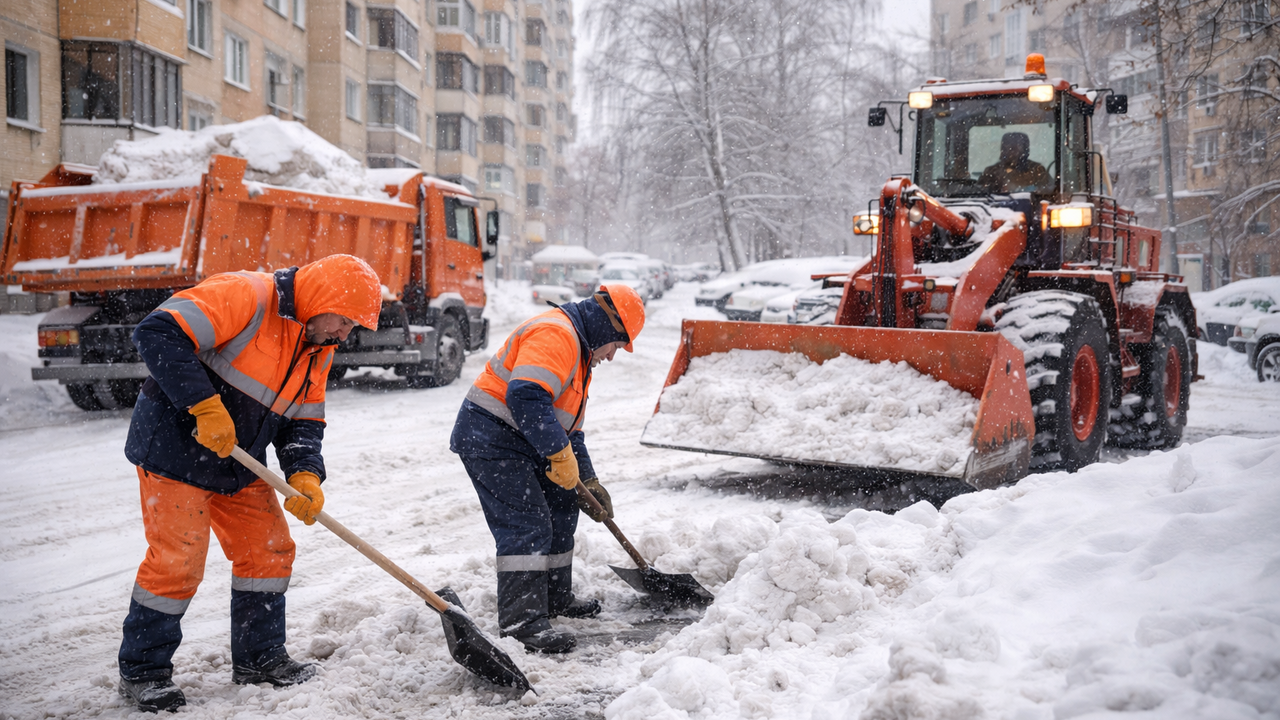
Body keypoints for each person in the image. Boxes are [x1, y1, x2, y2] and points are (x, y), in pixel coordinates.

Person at [116, 254, 382, 712]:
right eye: (343, 321)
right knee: (178, 563)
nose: (344, 335)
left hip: (239, 464)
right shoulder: (246, 295)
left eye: (352, 328)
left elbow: (304, 420)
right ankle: (144, 672)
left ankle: (260, 658)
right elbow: (157, 333)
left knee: (269, 551)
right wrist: (202, 404)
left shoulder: (318, 346)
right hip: (175, 453)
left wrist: (305, 475)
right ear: (322, 299)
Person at [450, 285, 646, 654]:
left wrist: (587, 479)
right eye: (617, 345)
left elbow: (571, 429)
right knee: (527, 523)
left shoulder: (580, 353)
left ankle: (555, 598)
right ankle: (522, 621)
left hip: (525, 441)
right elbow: (525, 395)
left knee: (561, 506)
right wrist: (557, 453)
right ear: (608, 327)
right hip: (491, 437)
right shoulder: (558, 333)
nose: (613, 356)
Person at [978, 131, 1052, 193]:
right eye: (1008, 146)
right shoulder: (991, 172)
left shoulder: (1037, 170)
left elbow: (1049, 194)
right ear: (1002, 149)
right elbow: (980, 194)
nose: (1012, 150)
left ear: (1025, 149)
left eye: (1018, 146)